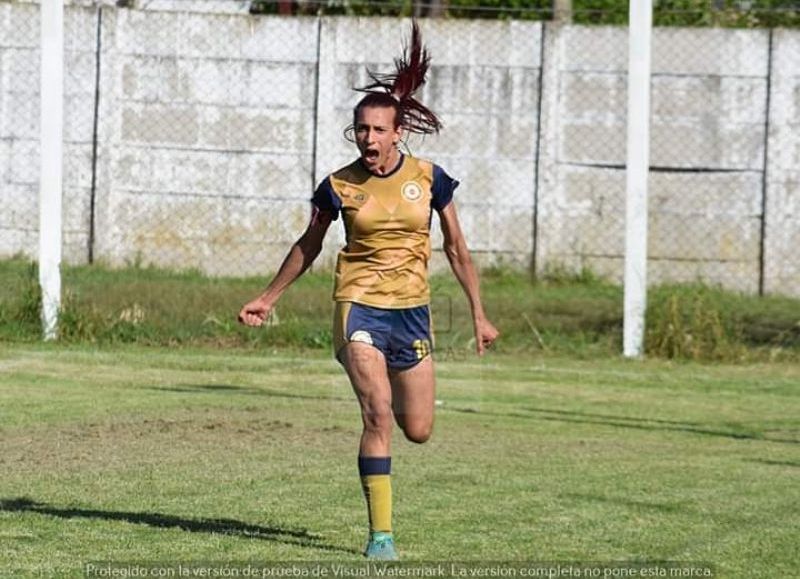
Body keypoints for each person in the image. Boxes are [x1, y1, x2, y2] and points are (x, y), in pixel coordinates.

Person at [238, 20, 499, 561]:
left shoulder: (430, 178)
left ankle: (391, 469)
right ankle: (381, 536)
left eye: (378, 131)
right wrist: (269, 296)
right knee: (377, 413)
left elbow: (457, 249)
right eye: (361, 130)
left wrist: (479, 313)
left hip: (413, 313)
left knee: (419, 429)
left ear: (397, 131)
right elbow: (308, 246)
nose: (369, 140)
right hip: (358, 308)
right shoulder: (338, 185)